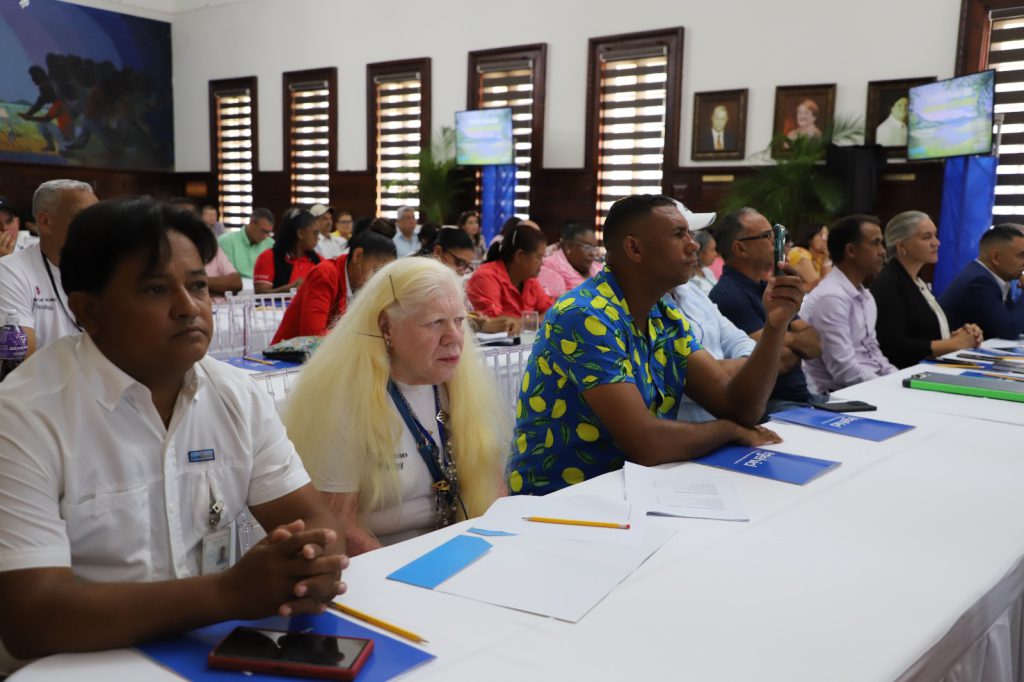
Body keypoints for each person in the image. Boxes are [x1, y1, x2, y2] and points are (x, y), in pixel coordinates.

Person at [0, 198, 347, 671]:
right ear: (88, 311)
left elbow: (318, 528)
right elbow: (32, 619)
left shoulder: (235, 394)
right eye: (156, 289)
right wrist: (225, 594)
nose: (189, 308)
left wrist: (310, 566)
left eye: (199, 285)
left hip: (208, 654)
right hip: (75, 667)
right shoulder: (24, 415)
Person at [507, 195, 804, 496]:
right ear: (634, 248)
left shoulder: (664, 317)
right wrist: (728, 430)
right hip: (559, 500)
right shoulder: (585, 315)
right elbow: (646, 443)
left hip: (632, 490)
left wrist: (775, 326)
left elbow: (739, 408)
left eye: (690, 234)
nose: (694, 245)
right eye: (678, 235)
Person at [283, 257, 506, 553]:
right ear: (386, 326)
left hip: (456, 553)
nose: (454, 338)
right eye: (435, 322)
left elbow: (493, 490)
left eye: (459, 320)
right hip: (377, 566)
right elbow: (337, 526)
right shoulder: (342, 398)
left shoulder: (456, 383)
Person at [710, 208, 823, 413]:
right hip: (771, 405)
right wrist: (789, 340)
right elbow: (777, 359)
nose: (776, 243)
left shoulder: (767, 286)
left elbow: (815, 345)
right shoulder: (729, 297)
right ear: (740, 248)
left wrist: (779, 338)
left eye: (776, 235)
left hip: (803, 398)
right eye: (768, 236)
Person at [871, 211, 983, 368]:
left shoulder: (916, 281)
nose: (936, 242)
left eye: (935, 236)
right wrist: (953, 344)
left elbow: (921, 333)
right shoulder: (889, 284)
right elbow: (893, 346)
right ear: (902, 246)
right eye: (927, 237)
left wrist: (960, 336)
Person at [0, 179, 97, 358]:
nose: (98, 227)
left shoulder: (113, 269)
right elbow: (21, 357)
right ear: (45, 222)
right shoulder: (10, 271)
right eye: (84, 217)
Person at [799, 215, 896, 394]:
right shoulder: (831, 298)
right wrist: (889, 389)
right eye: (875, 243)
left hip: (869, 387)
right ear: (851, 250)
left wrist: (897, 380)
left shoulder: (864, 296)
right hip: (835, 398)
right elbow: (844, 371)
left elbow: (873, 353)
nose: (882, 251)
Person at [271, 229, 397, 343]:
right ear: (358, 256)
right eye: (376, 270)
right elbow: (313, 335)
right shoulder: (325, 274)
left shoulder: (363, 283)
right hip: (288, 361)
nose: (378, 278)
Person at [668, 273, 757, 424]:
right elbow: (682, 382)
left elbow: (744, 342)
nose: (694, 247)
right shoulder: (640, 304)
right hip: (685, 434)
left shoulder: (692, 291)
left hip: (729, 424)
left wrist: (711, 373)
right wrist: (750, 368)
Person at [939, 224, 1024, 339]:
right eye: (1021, 256)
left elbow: (1016, 322)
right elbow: (1010, 330)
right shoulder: (979, 281)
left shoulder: (995, 277)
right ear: (996, 257)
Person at [428, 228, 520, 334]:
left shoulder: (447, 282)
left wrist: (470, 319)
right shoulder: (420, 281)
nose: (462, 272)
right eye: (459, 263)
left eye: (466, 266)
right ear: (438, 252)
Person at [466, 221, 553, 319]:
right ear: (519, 256)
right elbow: (492, 322)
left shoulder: (529, 280)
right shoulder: (486, 277)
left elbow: (551, 312)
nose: (542, 263)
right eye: (538, 257)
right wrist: (532, 322)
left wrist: (524, 323)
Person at [254, 208, 322, 294]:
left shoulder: (319, 261)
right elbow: (261, 294)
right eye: (315, 233)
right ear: (300, 233)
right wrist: (290, 289)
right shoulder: (269, 257)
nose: (318, 238)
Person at [537, 221, 602, 298]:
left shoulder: (597, 268)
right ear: (568, 246)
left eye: (594, 248)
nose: (593, 253)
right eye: (587, 247)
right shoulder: (549, 270)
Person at [218, 207, 275, 279]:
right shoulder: (226, 241)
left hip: (262, 287)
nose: (265, 236)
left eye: (268, 233)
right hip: (235, 287)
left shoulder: (271, 244)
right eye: (263, 231)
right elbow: (226, 275)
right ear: (252, 223)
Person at [787, 224, 832, 290]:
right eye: (821, 235)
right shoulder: (799, 253)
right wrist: (826, 259)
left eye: (826, 236)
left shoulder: (819, 257)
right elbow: (823, 286)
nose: (825, 239)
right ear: (810, 237)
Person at [689, 229, 719, 295]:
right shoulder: (691, 281)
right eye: (712, 250)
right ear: (700, 252)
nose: (715, 254)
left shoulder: (707, 271)